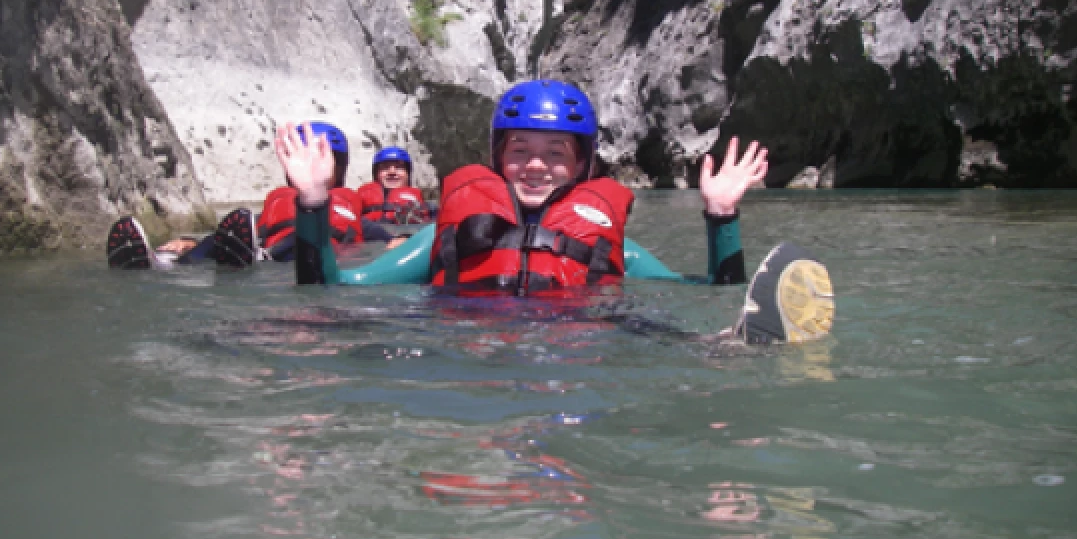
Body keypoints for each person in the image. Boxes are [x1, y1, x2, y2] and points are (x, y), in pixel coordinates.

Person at [263, 80, 833, 344]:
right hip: (460, 344)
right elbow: (328, 288)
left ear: (582, 166)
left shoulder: (611, 247)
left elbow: (710, 290)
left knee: (654, 331)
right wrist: (312, 202)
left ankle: (731, 346)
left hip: (576, 348)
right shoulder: (445, 237)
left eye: (555, 154)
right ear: (497, 158)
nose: (536, 167)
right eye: (520, 152)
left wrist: (721, 216)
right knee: (310, 330)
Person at [105, 121, 397, 268]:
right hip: (267, 257)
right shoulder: (268, 212)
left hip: (316, 262)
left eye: (321, 159)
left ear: (341, 168)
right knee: (228, 238)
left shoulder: (356, 217)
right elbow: (235, 232)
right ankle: (165, 263)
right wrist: (190, 243)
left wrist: (400, 241)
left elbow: (385, 238)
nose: (311, 164)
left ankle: (253, 258)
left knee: (284, 246)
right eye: (303, 156)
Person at [357, 147, 433, 224]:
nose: (392, 172)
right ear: (376, 174)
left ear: (407, 174)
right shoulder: (361, 197)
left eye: (399, 167)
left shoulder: (428, 207)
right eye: (385, 167)